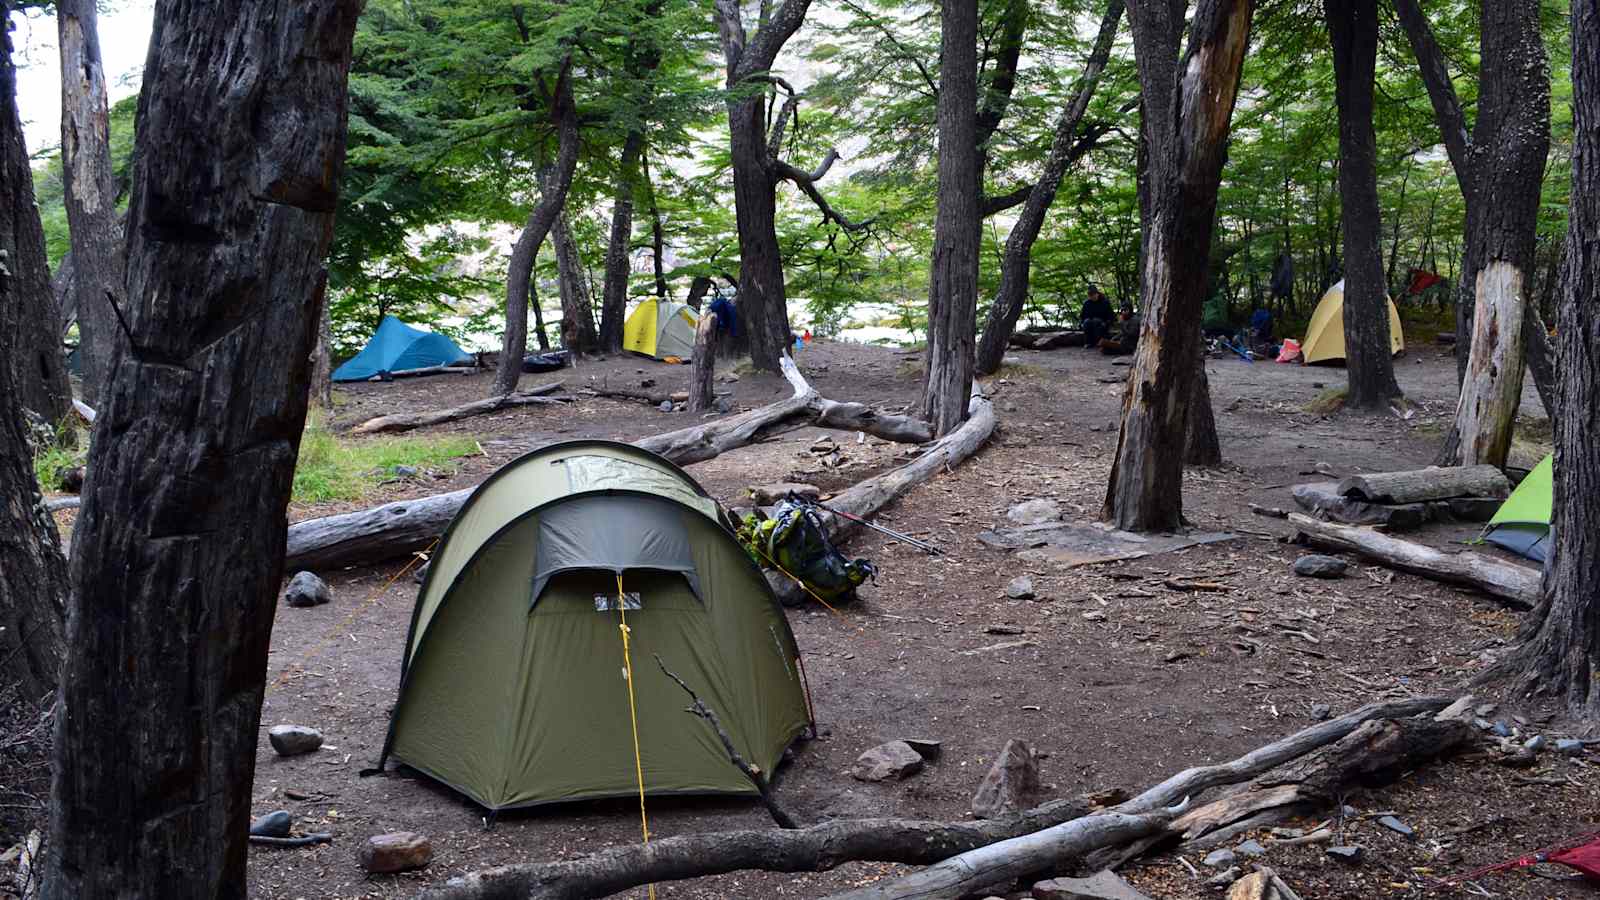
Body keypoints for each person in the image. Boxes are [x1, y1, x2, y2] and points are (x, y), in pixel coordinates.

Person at [1079, 285, 1114, 349]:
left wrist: (1107, 323)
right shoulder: (1087, 303)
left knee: (1096, 321)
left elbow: (1111, 315)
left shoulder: (1105, 302)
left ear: (1097, 294)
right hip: (1090, 323)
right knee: (1087, 322)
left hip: (1102, 323)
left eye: (1093, 294)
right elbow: (1082, 316)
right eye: (1090, 295)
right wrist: (1081, 323)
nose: (1092, 296)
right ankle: (1088, 342)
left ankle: (1099, 342)